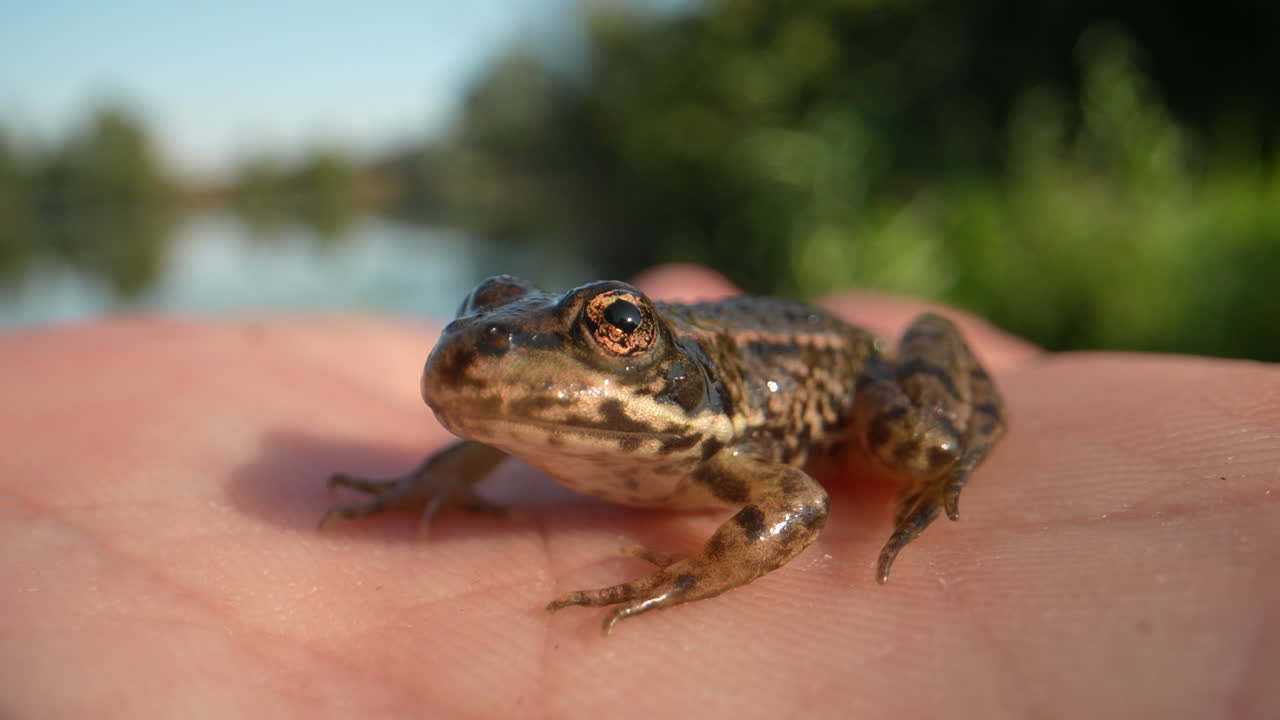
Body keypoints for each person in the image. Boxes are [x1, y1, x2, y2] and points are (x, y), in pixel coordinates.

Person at [1, 265, 1274, 718]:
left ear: (645, 344)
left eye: (603, 328)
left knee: (908, 441)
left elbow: (794, 506)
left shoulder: (725, 442)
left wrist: (685, 575)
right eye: (485, 317)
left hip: (823, 374)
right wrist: (422, 482)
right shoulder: (510, 402)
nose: (499, 348)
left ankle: (947, 454)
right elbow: (486, 431)